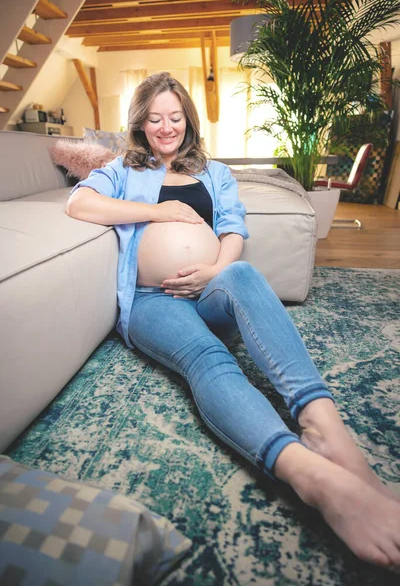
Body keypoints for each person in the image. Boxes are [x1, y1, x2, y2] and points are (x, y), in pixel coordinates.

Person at [67, 71, 400, 571]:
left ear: (188, 120)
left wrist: (215, 271)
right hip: (151, 300)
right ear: (139, 124)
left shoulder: (215, 172)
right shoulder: (122, 169)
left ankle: (326, 429)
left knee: (242, 272)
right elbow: (80, 202)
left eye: (175, 117)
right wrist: (162, 213)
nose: (166, 127)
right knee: (208, 356)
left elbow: (232, 229)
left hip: (208, 288)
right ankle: (311, 477)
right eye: (154, 118)